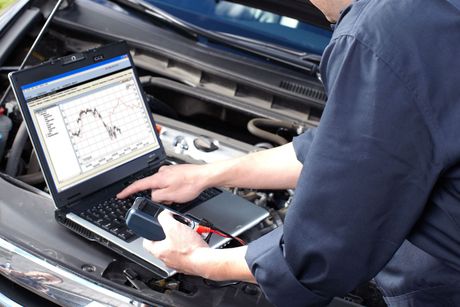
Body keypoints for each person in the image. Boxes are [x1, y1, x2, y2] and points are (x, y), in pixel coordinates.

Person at [117, 0, 460, 306]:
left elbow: (321, 254)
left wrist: (198, 261)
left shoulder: (380, 34)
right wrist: (208, 173)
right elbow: (343, 147)